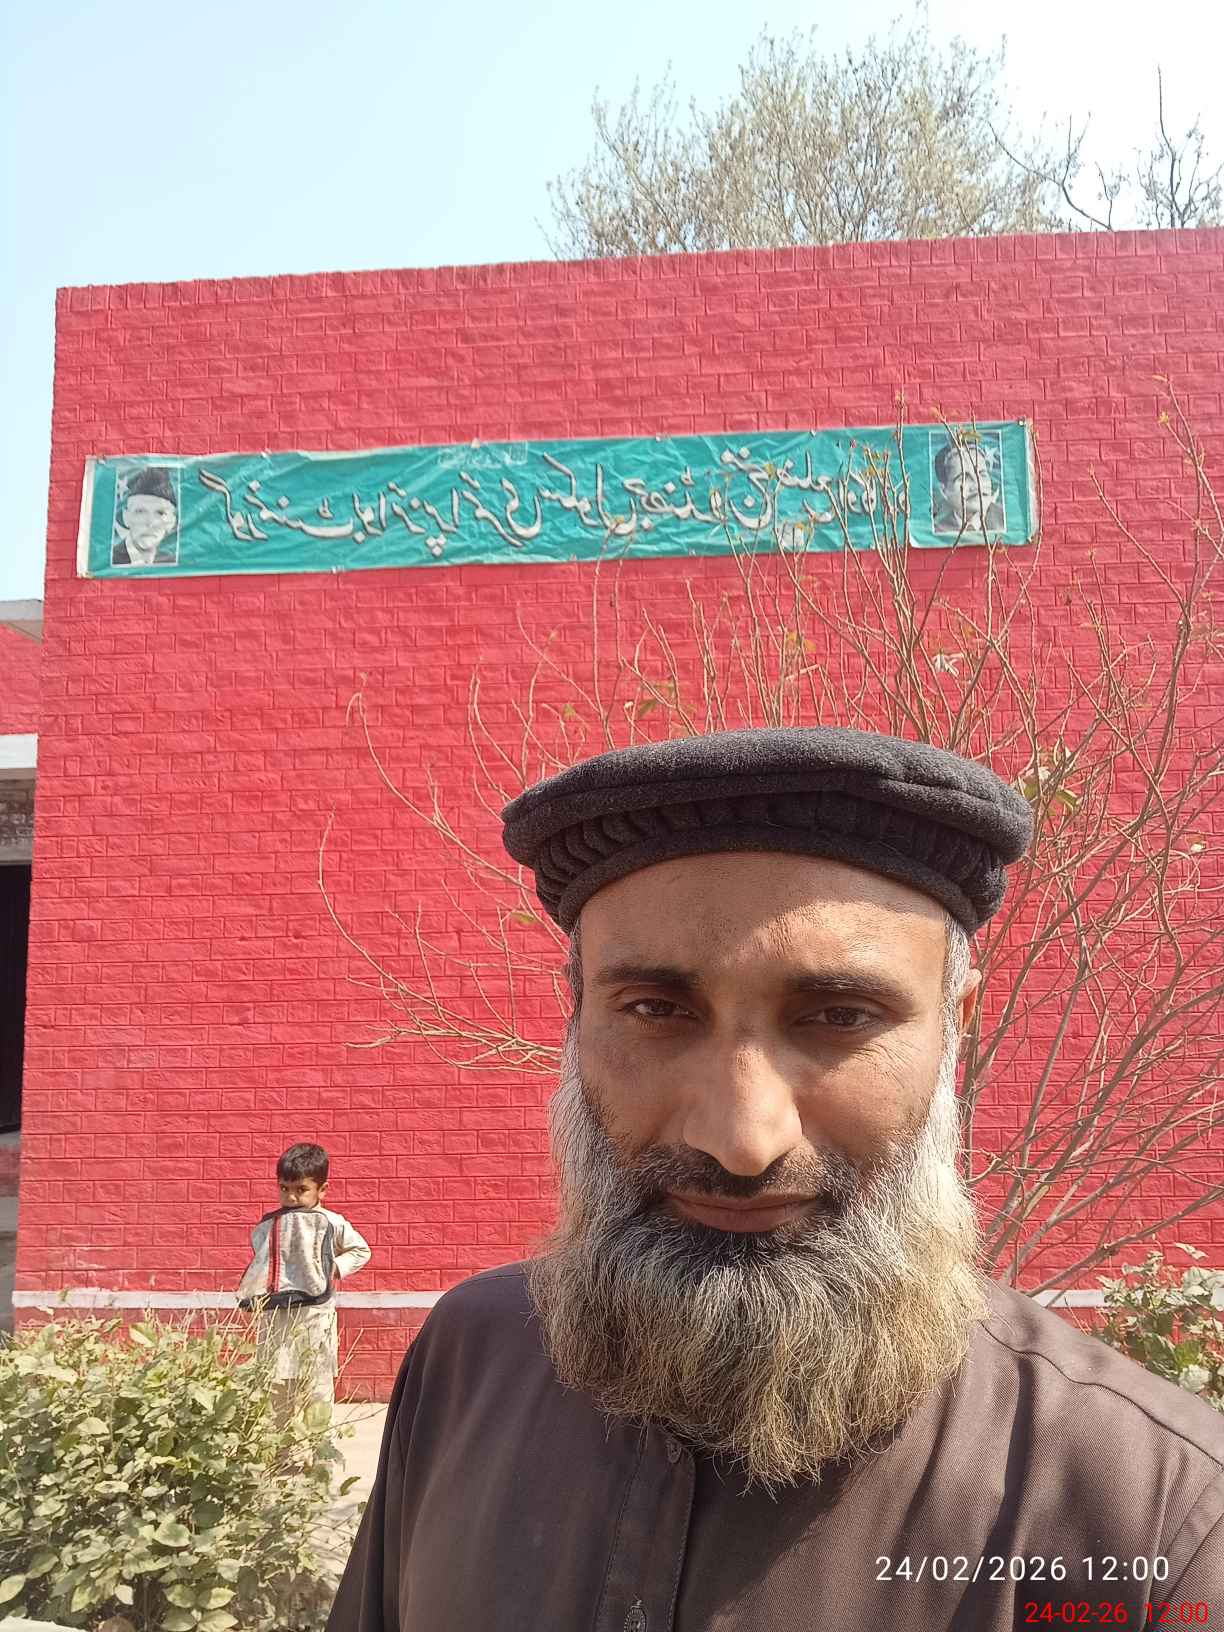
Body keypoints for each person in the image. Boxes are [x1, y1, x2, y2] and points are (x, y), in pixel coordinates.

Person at [327, 728, 1223, 1631]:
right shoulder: (465, 1362)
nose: (743, 1142)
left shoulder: (1162, 1517)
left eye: (840, 1016)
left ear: (954, 1028)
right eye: (655, 1010)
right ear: (577, 1013)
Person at [239, 1142, 371, 1418]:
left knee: (316, 1391)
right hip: (276, 1318)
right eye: (284, 1188)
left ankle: (319, 1446)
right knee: (276, 1390)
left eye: (301, 1189)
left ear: (322, 1189)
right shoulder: (269, 1224)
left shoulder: (331, 1221)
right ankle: (282, 1446)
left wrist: (333, 1268)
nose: (291, 1197)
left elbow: (360, 1250)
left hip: (314, 1317)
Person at [931, 434, 1005, 536]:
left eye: (982, 474)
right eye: (964, 478)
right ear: (944, 491)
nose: (977, 484)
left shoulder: (1007, 520)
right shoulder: (937, 531)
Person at [112, 465, 179, 566]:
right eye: (140, 512)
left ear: (172, 522)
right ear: (126, 517)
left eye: (160, 513)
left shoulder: (172, 562)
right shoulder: (107, 560)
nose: (150, 523)